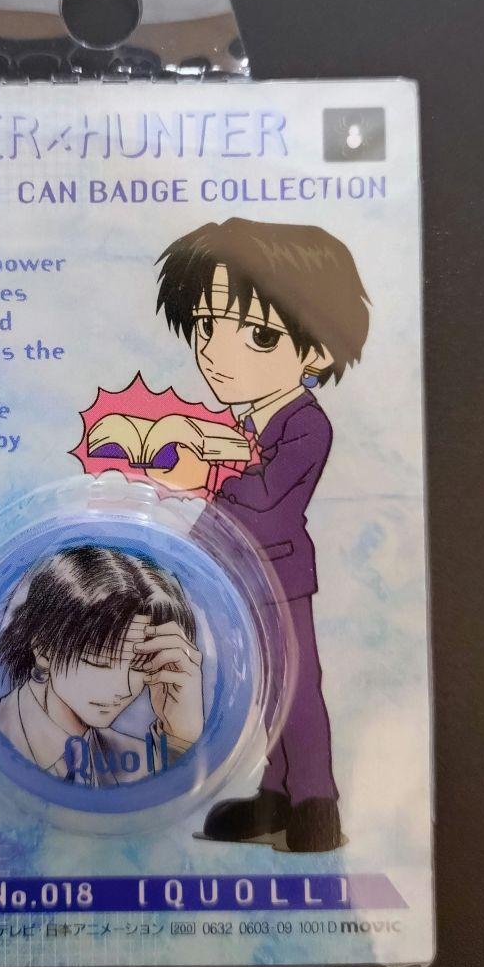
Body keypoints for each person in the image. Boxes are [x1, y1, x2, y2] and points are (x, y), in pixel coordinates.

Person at [152, 217, 370, 851]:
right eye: (205, 326)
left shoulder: (306, 425)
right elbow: (226, 510)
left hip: (280, 577)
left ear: (317, 350)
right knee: (268, 689)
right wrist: (187, 551)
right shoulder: (246, 426)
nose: (215, 354)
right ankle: (276, 796)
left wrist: (205, 469)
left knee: (297, 691)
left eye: (259, 335)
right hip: (238, 578)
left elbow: (267, 498)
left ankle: (317, 803)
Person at [0, 546, 204, 786]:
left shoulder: (140, 763)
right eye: (100, 662)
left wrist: (180, 735)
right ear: (44, 647)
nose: (124, 690)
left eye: (142, 665)